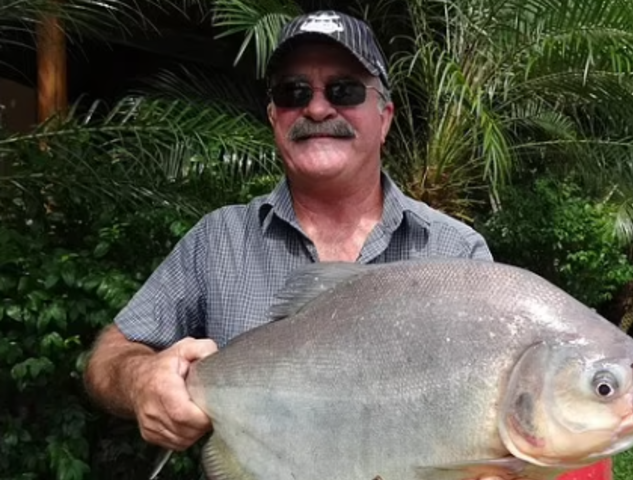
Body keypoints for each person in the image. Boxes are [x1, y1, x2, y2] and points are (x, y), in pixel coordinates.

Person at [83, 9, 493, 456]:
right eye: (293, 92)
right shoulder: (218, 240)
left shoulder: (456, 252)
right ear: (274, 117)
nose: (316, 109)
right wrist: (141, 379)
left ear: (384, 118)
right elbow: (110, 353)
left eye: (345, 89)